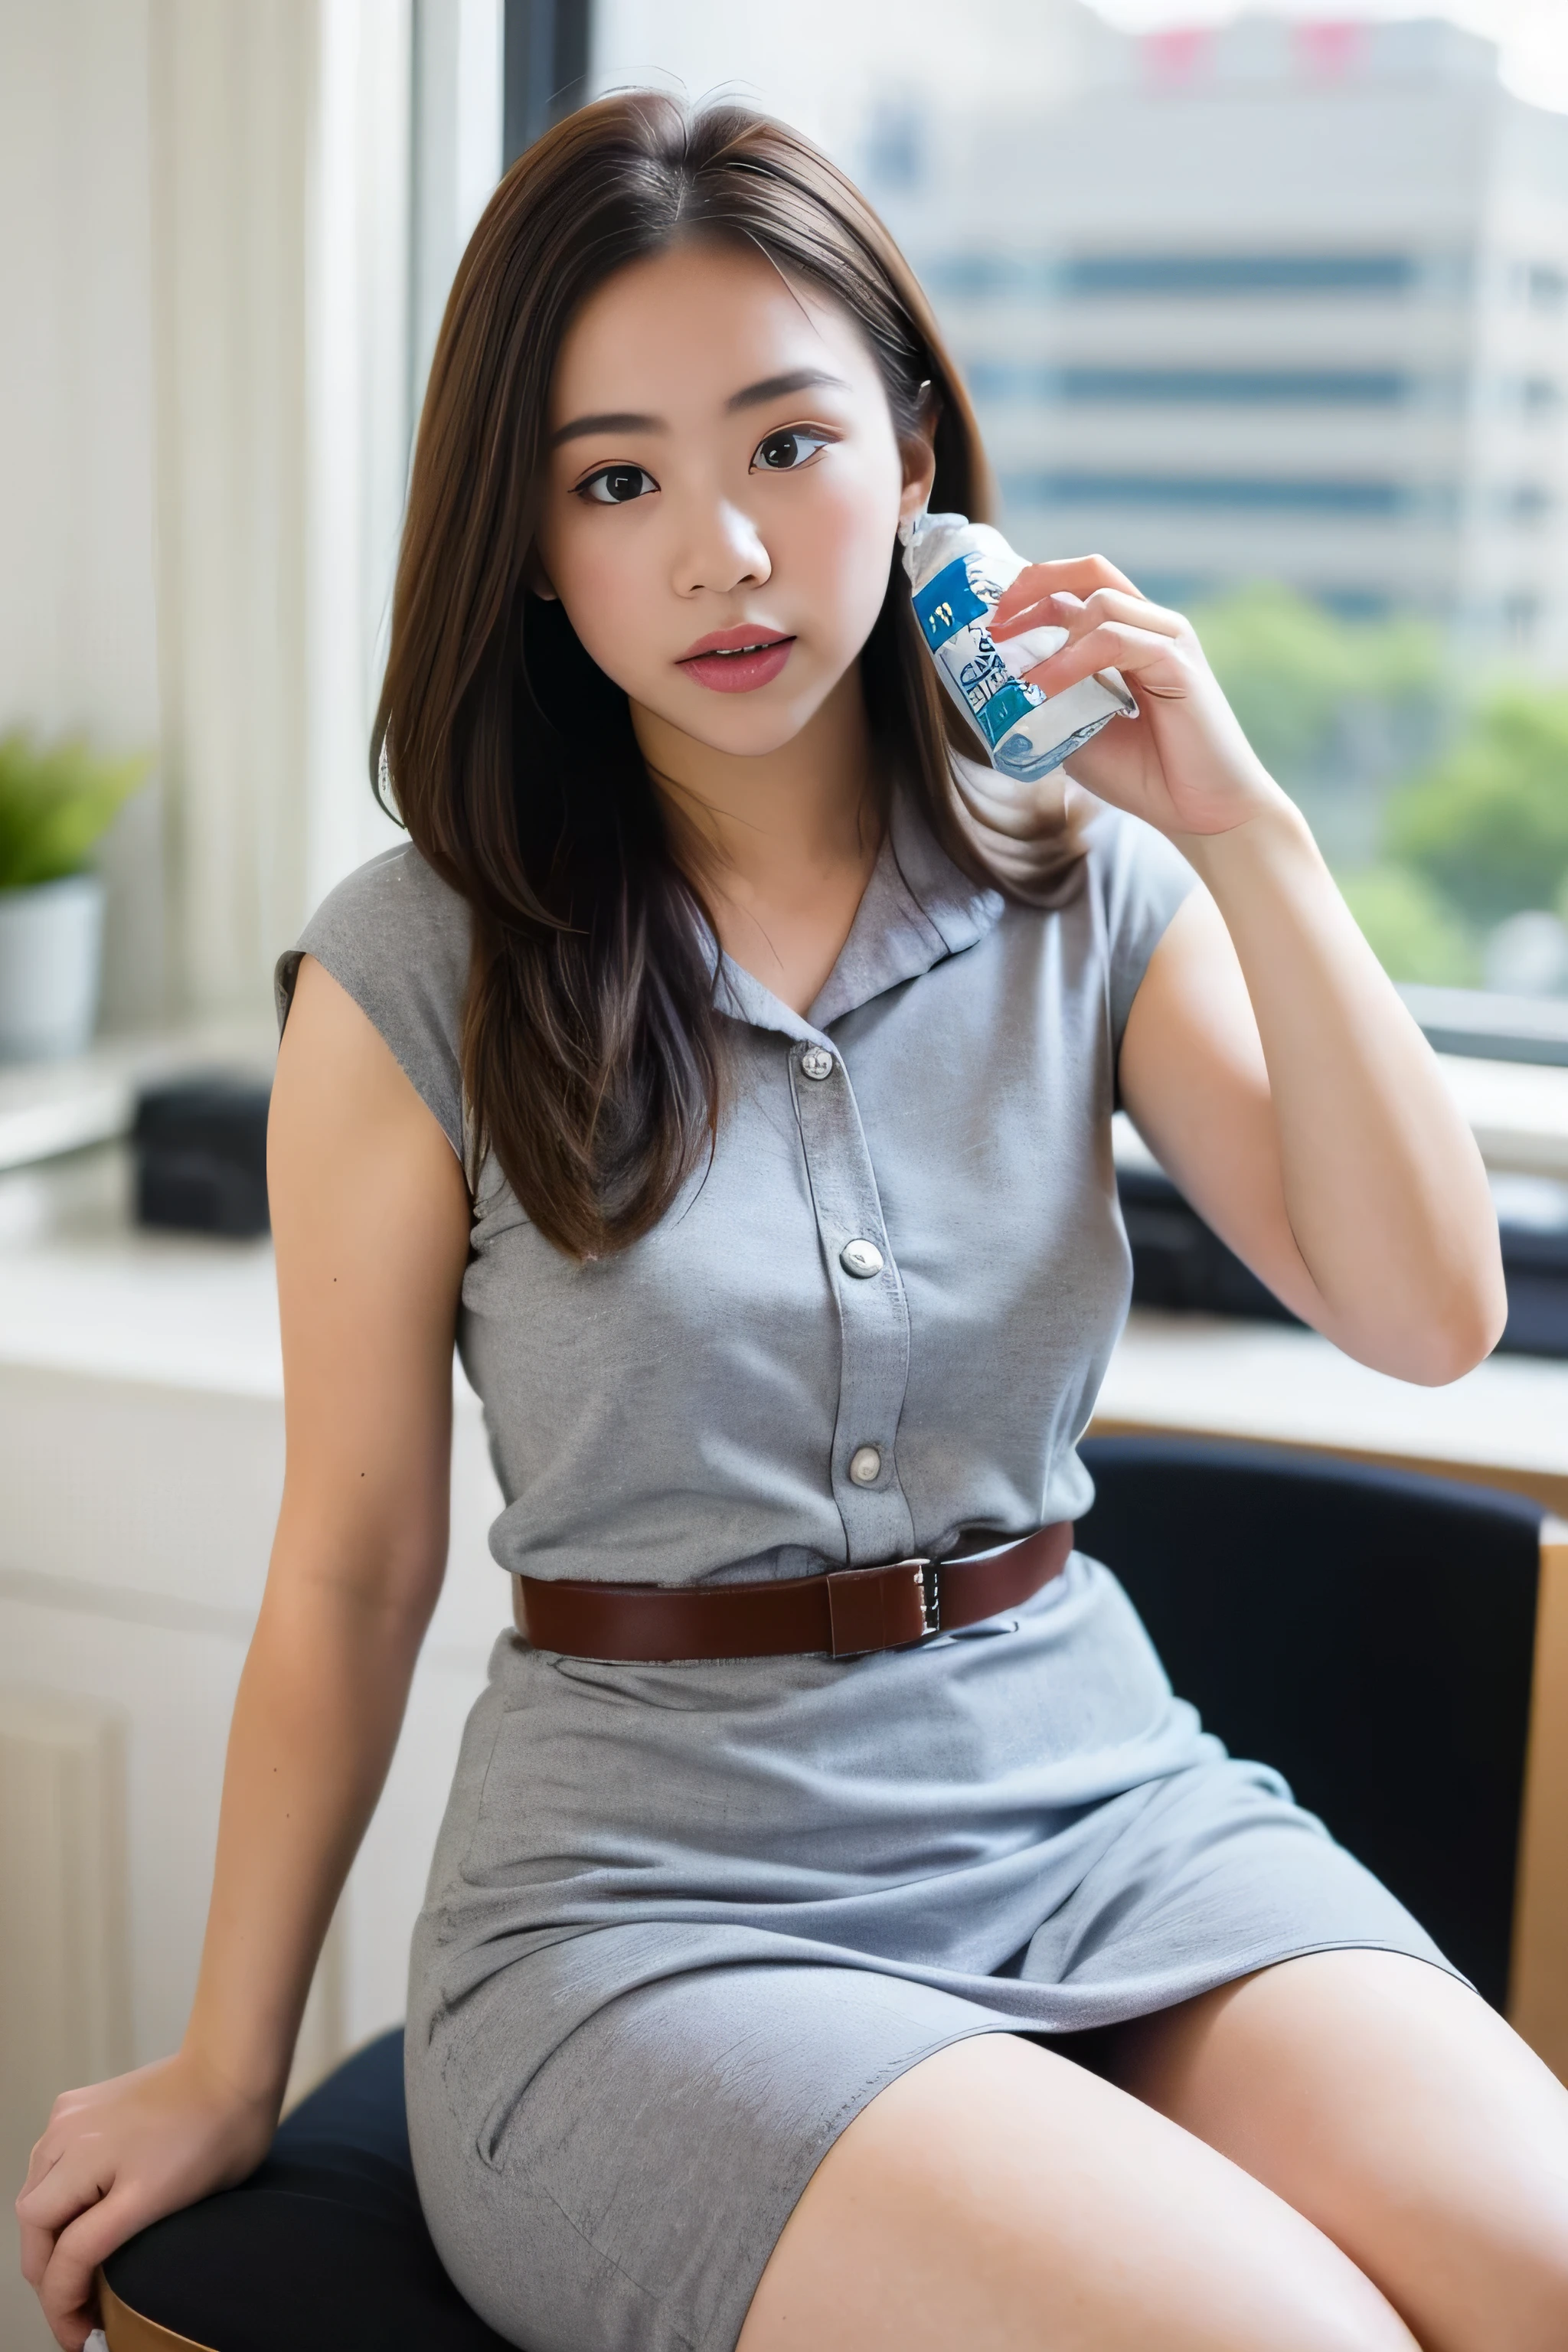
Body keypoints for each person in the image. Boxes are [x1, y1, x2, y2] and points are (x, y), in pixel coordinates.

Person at [18, 92, 1568, 2352]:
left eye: (786, 446)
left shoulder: (1092, 891)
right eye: (617, 480)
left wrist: (1245, 825)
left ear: (916, 454)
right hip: (655, 1918)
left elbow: (1428, 1315)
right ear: (534, 549)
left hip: (1104, 1817)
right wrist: (221, 2060)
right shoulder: (415, 974)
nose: (722, 553)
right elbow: (353, 1571)